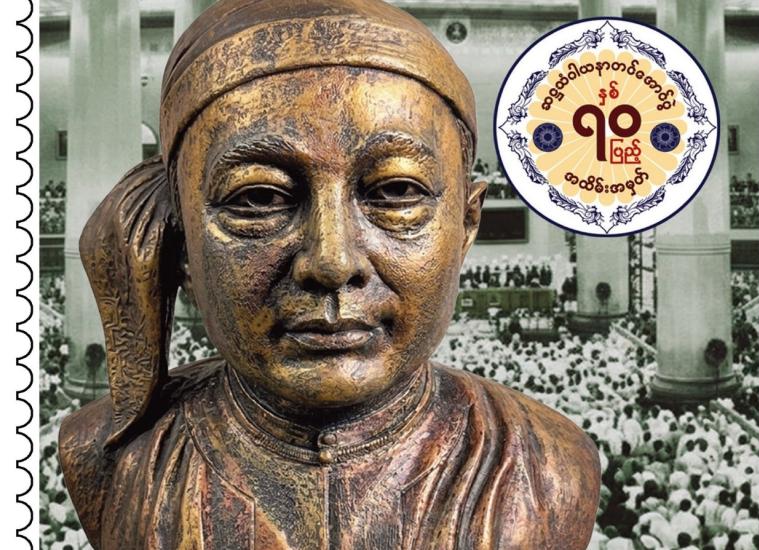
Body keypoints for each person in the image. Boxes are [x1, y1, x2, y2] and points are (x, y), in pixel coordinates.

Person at [57, 1, 600, 548]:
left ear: (466, 224)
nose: (332, 261)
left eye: (395, 191)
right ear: (180, 243)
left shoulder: (547, 467)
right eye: (260, 198)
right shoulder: (109, 458)